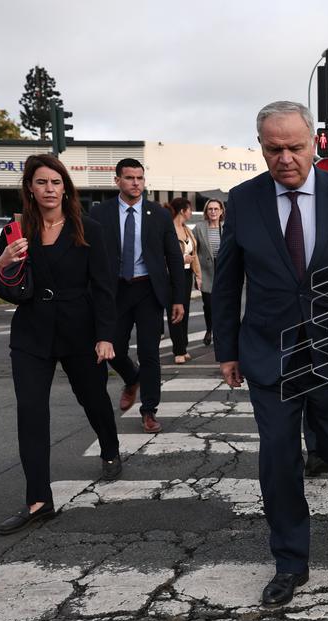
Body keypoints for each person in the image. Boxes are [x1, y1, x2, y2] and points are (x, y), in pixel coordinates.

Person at [212, 101, 328, 609]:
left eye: (295, 146)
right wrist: (227, 349)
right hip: (269, 352)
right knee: (278, 458)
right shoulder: (243, 201)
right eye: (274, 149)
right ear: (261, 147)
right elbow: (227, 283)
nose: (286, 158)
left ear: (316, 143)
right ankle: (291, 561)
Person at [0, 154, 122, 535]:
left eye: (56, 182)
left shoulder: (87, 228)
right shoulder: (17, 229)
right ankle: (39, 500)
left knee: (93, 400)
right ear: (30, 187)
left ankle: (110, 446)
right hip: (31, 333)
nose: (49, 189)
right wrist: (1, 260)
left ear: (65, 187)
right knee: (31, 414)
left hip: (81, 331)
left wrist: (106, 336)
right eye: (41, 182)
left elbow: (105, 287)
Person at [89, 158, 185, 434]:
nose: (135, 183)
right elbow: (89, 255)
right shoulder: (100, 213)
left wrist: (177, 298)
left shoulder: (159, 214)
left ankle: (149, 410)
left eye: (139, 178)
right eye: (129, 178)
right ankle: (132, 379)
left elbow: (174, 258)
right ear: (117, 180)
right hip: (114, 291)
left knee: (149, 352)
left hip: (148, 291)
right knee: (111, 347)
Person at [165, 197, 201, 364]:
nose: (191, 212)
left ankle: (183, 347)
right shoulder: (168, 229)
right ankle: (178, 350)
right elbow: (162, 255)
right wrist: (181, 259)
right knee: (175, 312)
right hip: (171, 275)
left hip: (186, 276)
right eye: (189, 209)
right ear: (182, 211)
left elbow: (195, 255)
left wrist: (198, 275)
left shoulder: (187, 229)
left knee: (184, 312)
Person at [192, 198, 224, 346]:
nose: (213, 212)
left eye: (216, 209)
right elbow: (192, 248)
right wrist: (196, 275)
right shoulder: (199, 228)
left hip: (224, 271)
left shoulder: (227, 227)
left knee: (224, 304)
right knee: (209, 305)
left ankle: (221, 332)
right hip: (206, 272)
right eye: (210, 209)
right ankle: (209, 329)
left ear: (221, 211)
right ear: (206, 211)